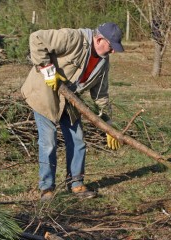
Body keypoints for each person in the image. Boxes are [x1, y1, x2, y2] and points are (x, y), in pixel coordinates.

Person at [21, 23, 124, 201]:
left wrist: (108, 124)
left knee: (78, 141)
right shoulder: (73, 38)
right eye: (111, 47)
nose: (112, 52)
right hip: (43, 93)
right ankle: (47, 189)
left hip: (69, 98)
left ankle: (76, 184)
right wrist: (47, 69)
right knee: (49, 142)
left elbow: (101, 95)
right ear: (99, 39)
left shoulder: (103, 62)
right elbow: (36, 38)